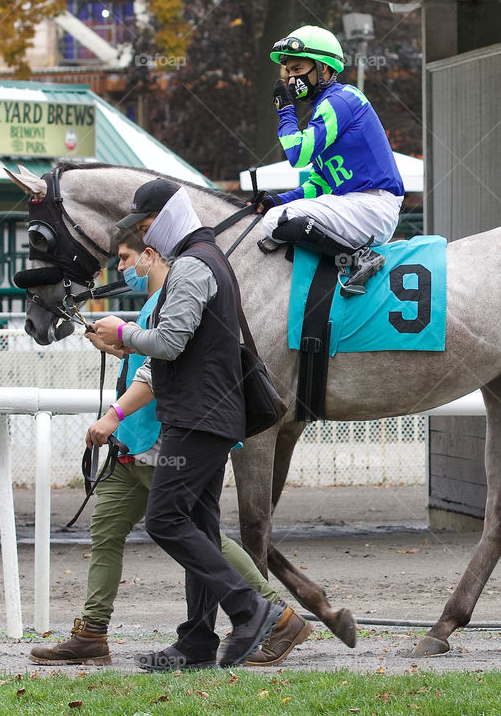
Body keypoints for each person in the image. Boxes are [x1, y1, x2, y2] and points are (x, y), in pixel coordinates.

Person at [28, 224, 311, 668]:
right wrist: (121, 346)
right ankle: (94, 634)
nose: (121, 269)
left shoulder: (180, 292)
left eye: (126, 258)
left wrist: (114, 409)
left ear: (150, 255)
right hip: (140, 441)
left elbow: (157, 368)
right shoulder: (161, 299)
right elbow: (152, 360)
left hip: (167, 438)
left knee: (189, 531)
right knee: (112, 532)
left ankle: (271, 614)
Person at [89, 180, 283, 670]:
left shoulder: (194, 264)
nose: (144, 237)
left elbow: (170, 343)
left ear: (168, 216)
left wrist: (124, 331)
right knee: (200, 525)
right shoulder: (206, 259)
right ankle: (197, 643)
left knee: (165, 520)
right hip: (208, 414)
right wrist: (129, 340)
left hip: (198, 417)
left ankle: (250, 609)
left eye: (146, 225)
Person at [256, 24, 406, 295]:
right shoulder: (327, 107)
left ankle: (358, 260)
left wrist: (286, 112)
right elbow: (319, 185)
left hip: (371, 207)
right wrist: (276, 200)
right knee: (276, 211)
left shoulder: (340, 100)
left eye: (298, 69)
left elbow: (298, 154)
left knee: (275, 220)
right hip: (358, 205)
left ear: (323, 68)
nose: (291, 79)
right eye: (288, 71)